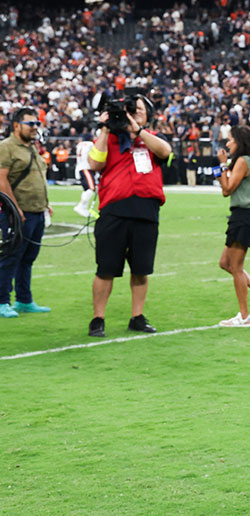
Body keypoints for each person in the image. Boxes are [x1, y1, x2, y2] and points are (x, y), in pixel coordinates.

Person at [87, 91, 171, 337]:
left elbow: (165, 152)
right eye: (129, 111)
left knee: (141, 269)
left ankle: (137, 316)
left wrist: (137, 130)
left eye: (138, 112)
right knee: (106, 268)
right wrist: (104, 128)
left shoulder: (152, 138)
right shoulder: (110, 139)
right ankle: (98, 319)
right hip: (114, 210)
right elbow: (95, 164)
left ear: (147, 118)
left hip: (146, 210)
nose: (132, 115)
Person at [214, 125, 250, 327]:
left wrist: (222, 165)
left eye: (230, 140)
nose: (228, 143)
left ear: (239, 141)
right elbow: (227, 187)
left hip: (245, 216)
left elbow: (227, 189)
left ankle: (244, 316)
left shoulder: (243, 161)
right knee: (225, 263)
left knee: (235, 267)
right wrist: (223, 168)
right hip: (244, 216)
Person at [0, 108, 52, 318]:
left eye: (37, 124)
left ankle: (24, 299)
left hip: (36, 211)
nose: (35, 128)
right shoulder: (6, 147)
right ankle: (3, 301)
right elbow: (1, 180)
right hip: (18, 213)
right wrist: (15, 208)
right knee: (11, 257)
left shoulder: (31, 148)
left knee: (28, 258)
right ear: (16, 125)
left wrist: (46, 204)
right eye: (31, 124)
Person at [74, 129, 100, 219]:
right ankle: (80, 206)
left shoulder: (79, 144)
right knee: (91, 188)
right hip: (86, 167)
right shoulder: (90, 144)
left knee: (87, 190)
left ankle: (84, 208)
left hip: (80, 167)